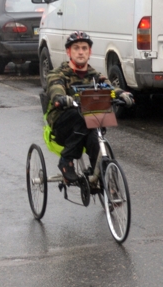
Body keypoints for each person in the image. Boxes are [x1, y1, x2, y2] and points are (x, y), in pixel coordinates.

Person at [46, 31, 134, 183]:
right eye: (76, 48)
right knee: (81, 115)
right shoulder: (58, 74)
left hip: (87, 122)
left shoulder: (94, 75)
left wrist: (122, 94)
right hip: (63, 124)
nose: (81, 52)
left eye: (84, 48)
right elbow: (55, 88)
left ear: (90, 52)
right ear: (69, 52)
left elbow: (109, 88)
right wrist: (61, 98)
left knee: (96, 137)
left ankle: (101, 180)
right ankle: (66, 160)